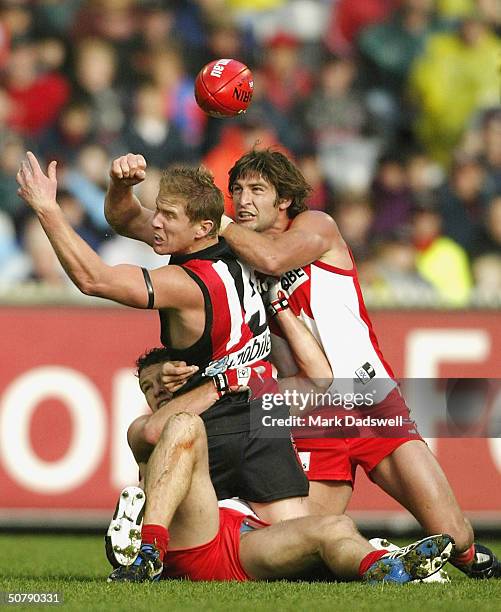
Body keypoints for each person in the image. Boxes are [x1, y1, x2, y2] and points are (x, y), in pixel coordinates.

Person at [147, 149, 499, 579]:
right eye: (235, 190)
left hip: (371, 400)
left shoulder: (316, 226)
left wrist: (216, 219)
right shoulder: (233, 252)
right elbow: (153, 227)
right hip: (305, 407)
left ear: (284, 201)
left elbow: (273, 259)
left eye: (257, 190)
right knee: (300, 544)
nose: (242, 200)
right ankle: (166, 544)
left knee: (455, 534)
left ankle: (469, 560)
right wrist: (123, 192)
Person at [16, 150, 319, 524]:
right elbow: (126, 218)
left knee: (145, 440)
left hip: (209, 420)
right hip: (262, 412)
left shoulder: (186, 283)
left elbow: (94, 278)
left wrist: (47, 208)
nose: (155, 222)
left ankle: (143, 521)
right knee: (295, 541)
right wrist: (120, 187)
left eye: (167, 216)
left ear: (202, 228)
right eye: (157, 210)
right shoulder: (239, 245)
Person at [105, 348, 453, 584]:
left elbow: (320, 378)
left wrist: (280, 306)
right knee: (183, 424)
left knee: (334, 526)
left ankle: (382, 566)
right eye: (147, 387)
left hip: (242, 541)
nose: (156, 392)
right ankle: (148, 551)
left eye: (162, 381)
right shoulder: (145, 428)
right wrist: (220, 384)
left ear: (185, 375)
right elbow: (152, 431)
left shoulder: (244, 411)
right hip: (192, 539)